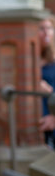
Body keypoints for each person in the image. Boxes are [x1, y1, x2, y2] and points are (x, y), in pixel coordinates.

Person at [38, 17, 55, 148]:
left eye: (49, 28)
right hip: (39, 118)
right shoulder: (32, 59)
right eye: (41, 28)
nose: (45, 32)